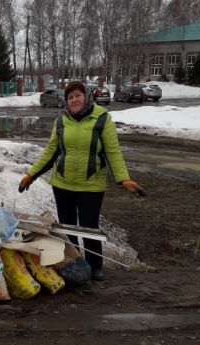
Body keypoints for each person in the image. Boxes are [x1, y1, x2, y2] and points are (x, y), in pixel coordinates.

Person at [18, 81, 145, 281]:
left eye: (78, 95)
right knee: (67, 228)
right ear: (66, 101)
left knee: (89, 228)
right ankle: (75, 265)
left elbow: (112, 151)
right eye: (70, 97)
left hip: (91, 185)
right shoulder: (61, 121)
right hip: (62, 184)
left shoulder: (102, 119)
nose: (74, 100)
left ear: (86, 96)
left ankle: (95, 266)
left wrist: (123, 179)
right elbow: (51, 152)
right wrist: (31, 174)